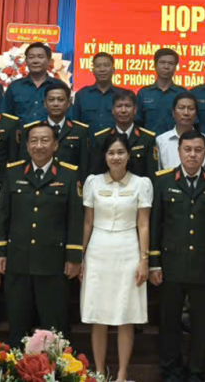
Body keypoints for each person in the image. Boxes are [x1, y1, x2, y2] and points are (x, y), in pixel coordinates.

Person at [149, 130, 205, 382]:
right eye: (187, 149)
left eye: (198, 150)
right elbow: (155, 225)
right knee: (169, 322)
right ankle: (171, 371)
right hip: (171, 265)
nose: (192, 155)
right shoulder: (162, 181)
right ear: (179, 151)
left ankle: (197, 372)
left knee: (202, 324)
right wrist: (154, 263)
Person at [0, 123, 83, 345]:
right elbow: (3, 216)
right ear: (26, 146)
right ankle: (15, 367)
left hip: (53, 263)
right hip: (18, 261)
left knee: (55, 327)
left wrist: (74, 257)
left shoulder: (69, 174)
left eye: (45, 140)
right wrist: (1, 252)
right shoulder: (13, 173)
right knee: (18, 324)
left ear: (55, 145)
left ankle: (57, 367)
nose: (39, 145)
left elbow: (75, 219)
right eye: (33, 141)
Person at [81, 133, 153, 381]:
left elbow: (143, 224)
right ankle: (100, 372)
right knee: (98, 314)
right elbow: (88, 222)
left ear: (129, 155)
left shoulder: (141, 184)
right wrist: (80, 257)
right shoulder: (92, 182)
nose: (116, 157)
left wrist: (144, 260)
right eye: (111, 152)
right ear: (104, 156)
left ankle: (122, 374)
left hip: (128, 249)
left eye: (121, 152)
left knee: (126, 314)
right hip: (98, 249)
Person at [89, 90, 158, 178]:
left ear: (135, 110)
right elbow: (96, 174)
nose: (123, 110)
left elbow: (152, 175)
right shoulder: (101, 139)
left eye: (128, 106)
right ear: (113, 110)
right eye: (119, 106)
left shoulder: (147, 139)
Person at [21, 81, 88, 172]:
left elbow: (84, 164)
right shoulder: (33, 130)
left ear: (68, 103)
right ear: (45, 103)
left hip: (70, 179)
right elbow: (25, 162)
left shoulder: (80, 131)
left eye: (60, 100)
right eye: (51, 100)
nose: (56, 104)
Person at [157, 92, 205, 172]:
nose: (186, 113)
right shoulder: (161, 141)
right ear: (173, 113)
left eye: (191, 108)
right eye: (181, 108)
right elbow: (157, 173)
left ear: (196, 114)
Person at [2, 42, 62, 123]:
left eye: (40, 57)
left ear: (49, 61)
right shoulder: (14, 87)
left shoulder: (59, 86)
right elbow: (5, 117)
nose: (35, 61)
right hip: (20, 131)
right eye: (31, 57)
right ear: (26, 61)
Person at [136, 48, 186, 135]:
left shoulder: (183, 94)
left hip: (176, 141)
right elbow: (137, 122)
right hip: (149, 142)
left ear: (175, 67)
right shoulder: (143, 93)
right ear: (155, 65)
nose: (166, 67)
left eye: (171, 63)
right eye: (162, 62)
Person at [70, 52, 121, 131]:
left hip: (116, 139)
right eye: (98, 66)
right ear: (93, 71)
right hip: (88, 139)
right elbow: (75, 124)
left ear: (113, 70)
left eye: (106, 65)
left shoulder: (123, 95)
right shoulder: (82, 95)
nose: (102, 69)